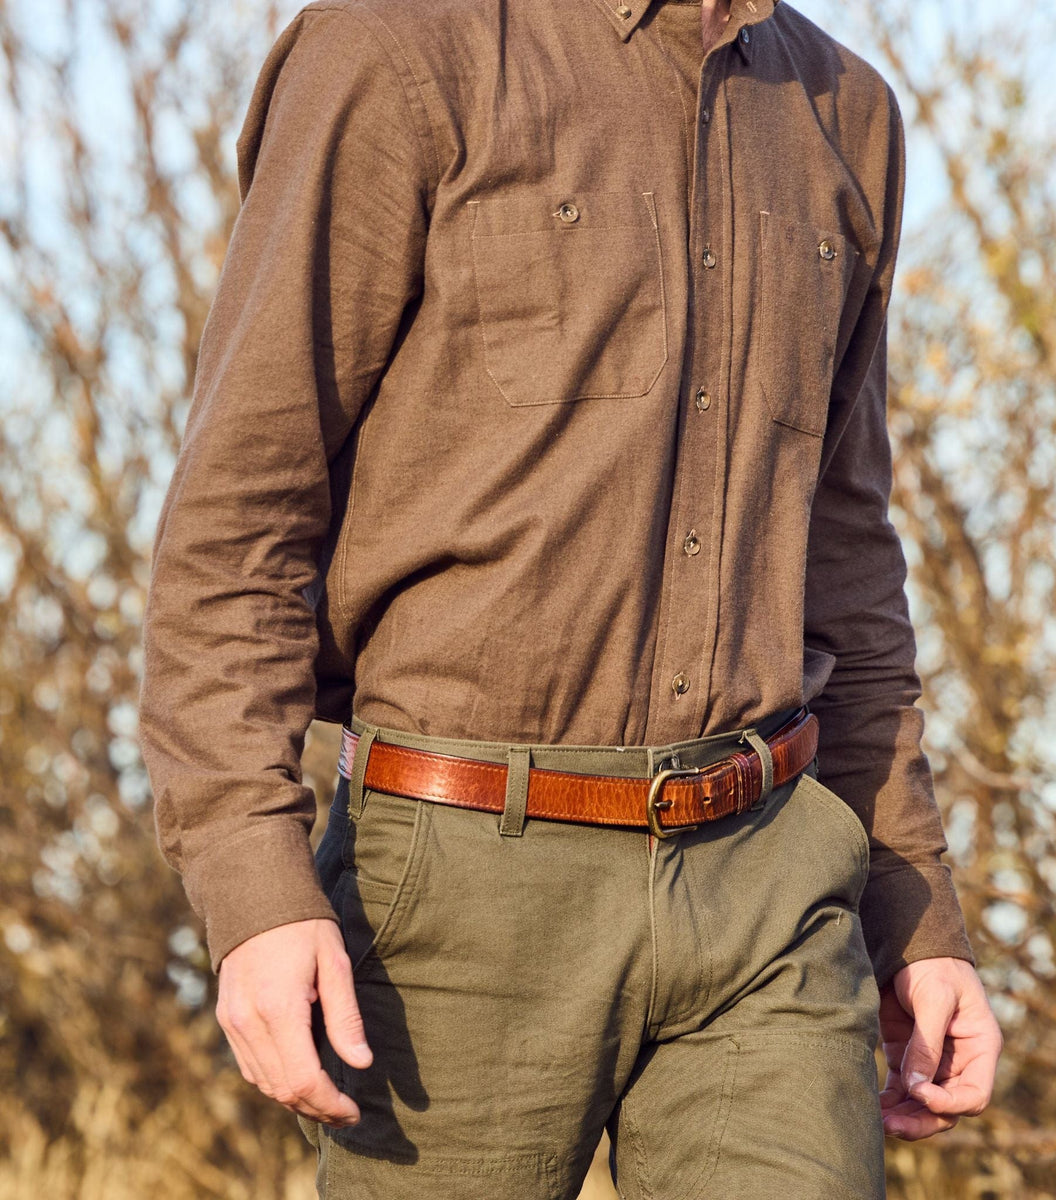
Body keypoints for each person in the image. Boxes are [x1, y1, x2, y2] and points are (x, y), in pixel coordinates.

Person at [138, 0, 1003, 1195]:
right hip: (455, 886)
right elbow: (240, 515)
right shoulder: (394, 51)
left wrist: (913, 909)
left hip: (769, 884)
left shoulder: (846, 111)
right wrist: (251, 882)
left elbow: (845, 550)